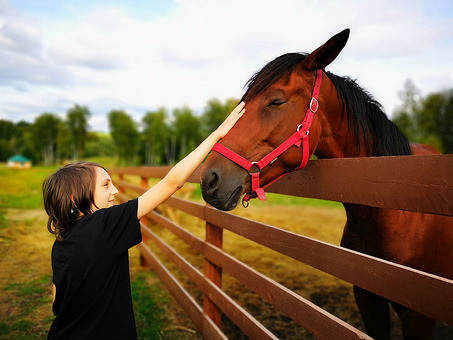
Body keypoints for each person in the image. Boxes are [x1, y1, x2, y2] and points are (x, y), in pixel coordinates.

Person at [43, 102, 245, 339]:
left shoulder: (61, 243)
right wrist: (217, 135)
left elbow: (57, 301)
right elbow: (173, 182)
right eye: (106, 185)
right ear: (74, 197)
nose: (116, 191)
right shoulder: (105, 225)